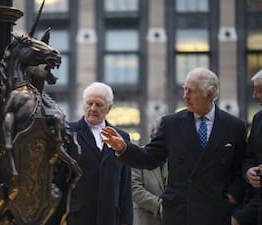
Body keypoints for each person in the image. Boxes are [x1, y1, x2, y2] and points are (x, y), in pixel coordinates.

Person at [102, 67, 247, 225]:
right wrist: (124, 148)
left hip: (216, 213)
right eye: (184, 89)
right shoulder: (171, 123)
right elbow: (150, 158)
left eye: (191, 91)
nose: (185, 96)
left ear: (209, 94)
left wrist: (233, 195)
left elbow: (240, 168)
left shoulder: (234, 127)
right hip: (179, 213)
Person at [67, 82, 133, 225]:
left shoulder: (122, 138)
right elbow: (60, 178)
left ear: (109, 108)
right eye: (89, 103)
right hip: (76, 217)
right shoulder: (68, 133)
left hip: (110, 217)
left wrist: (126, 221)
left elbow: (125, 184)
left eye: (99, 104)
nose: (93, 109)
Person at [231, 69, 262, 225]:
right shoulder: (258, 119)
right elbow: (249, 156)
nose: (254, 96)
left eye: (259, 91)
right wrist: (249, 172)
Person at [132, 119, 166, 225]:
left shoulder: (179, 157)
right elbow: (133, 186)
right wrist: (158, 204)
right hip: (146, 219)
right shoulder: (140, 155)